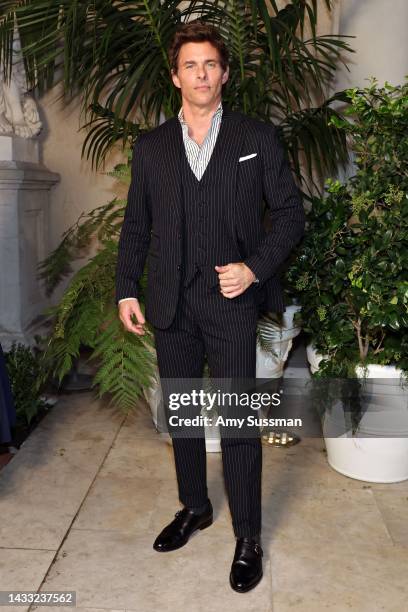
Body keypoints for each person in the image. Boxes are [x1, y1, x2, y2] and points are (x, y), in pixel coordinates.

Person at [116, 20, 305, 593]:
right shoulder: (150, 148)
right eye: (190, 65)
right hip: (171, 303)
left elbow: (291, 216)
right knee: (182, 415)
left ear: (224, 73)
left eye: (211, 64)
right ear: (176, 76)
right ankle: (194, 506)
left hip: (230, 301)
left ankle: (248, 535)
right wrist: (127, 288)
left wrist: (253, 268)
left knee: (238, 422)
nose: (201, 73)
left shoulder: (256, 138)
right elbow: (135, 228)